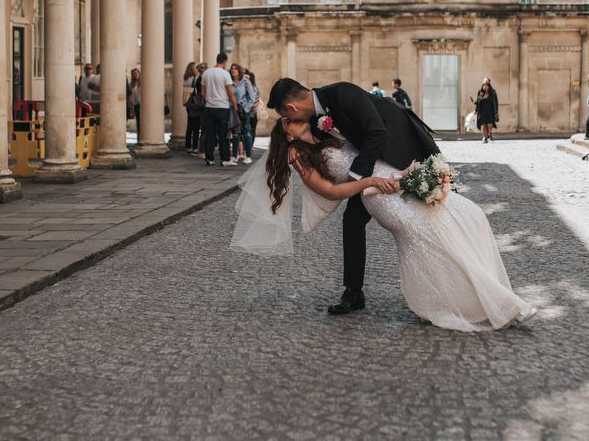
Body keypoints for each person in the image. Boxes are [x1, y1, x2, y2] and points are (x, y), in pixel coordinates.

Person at [230, 118, 537, 332]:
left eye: (292, 117)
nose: (295, 120)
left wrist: (404, 171)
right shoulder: (300, 156)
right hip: (378, 195)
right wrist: (372, 182)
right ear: (287, 136)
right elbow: (330, 191)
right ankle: (494, 302)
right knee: (431, 237)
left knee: (467, 214)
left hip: (396, 176)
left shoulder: (330, 131)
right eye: (288, 122)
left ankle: (477, 294)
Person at [266, 78, 439, 315]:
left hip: (402, 148)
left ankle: (439, 273)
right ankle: (353, 291)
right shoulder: (315, 123)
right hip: (372, 171)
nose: (291, 121)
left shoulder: (343, 93)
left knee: (432, 209)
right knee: (353, 221)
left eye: (287, 116)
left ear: (292, 108)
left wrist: (357, 176)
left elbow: (377, 132)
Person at [201, 52, 239, 167]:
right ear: (225, 61)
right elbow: (230, 92)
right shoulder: (225, 74)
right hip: (222, 107)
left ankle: (209, 158)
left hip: (209, 107)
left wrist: (208, 100)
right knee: (223, 135)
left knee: (210, 134)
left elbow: (203, 92)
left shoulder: (206, 73)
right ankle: (225, 159)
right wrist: (235, 107)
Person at [230, 63, 257, 164]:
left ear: (239, 70)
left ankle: (248, 156)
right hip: (233, 110)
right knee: (235, 133)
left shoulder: (245, 82)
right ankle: (234, 156)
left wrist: (246, 108)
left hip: (244, 110)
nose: (233, 70)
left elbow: (252, 97)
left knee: (246, 133)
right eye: (232, 69)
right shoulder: (229, 82)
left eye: (235, 69)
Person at [183, 62, 201, 154]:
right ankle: (194, 146)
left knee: (189, 125)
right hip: (194, 103)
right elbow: (196, 91)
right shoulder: (195, 79)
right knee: (196, 126)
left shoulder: (185, 78)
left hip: (188, 103)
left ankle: (188, 145)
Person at [129, 68, 141, 138]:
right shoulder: (131, 84)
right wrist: (131, 107)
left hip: (143, 105)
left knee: (143, 123)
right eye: (133, 74)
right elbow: (131, 97)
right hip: (136, 105)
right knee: (138, 122)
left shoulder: (142, 82)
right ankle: (139, 138)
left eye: (136, 73)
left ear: (139, 73)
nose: (135, 75)